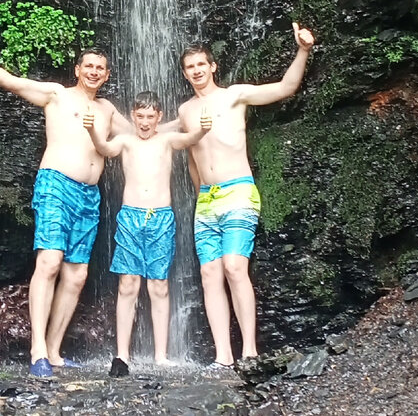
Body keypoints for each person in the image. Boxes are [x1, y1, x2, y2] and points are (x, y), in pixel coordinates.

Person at [0, 33, 126, 378]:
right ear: (78, 70)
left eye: (100, 69)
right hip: (56, 185)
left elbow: (145, 130)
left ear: (106, 76)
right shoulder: (57, 95)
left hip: (90, 195)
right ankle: (37, 351)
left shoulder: (107, 110)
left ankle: (55, 351)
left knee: (76, 274)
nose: (94, 72)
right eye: (88, 66)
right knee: (49, 261)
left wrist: (192, 125)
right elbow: (13, 83)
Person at [176, 22, 316, 366]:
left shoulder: (234, 95)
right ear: (185, 73)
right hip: (206, 199)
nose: (196, 71)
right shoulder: (184, 112)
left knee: (235, 267)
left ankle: (250, 350)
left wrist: (303, 50)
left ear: (212, 67)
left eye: (200, 65)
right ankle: (223, 356)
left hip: (238, 191)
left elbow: (286, 87)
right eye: (189, 67)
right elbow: (192, 158)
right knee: (210, 274)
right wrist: (199, 195)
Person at [83, 91, 212, 375]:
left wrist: (202, 127)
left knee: (158, 285)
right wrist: (92, 130)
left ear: (159, 117)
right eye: (139, 116)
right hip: (130, 217)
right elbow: (105, 149)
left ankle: (161, 355)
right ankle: (122, 355)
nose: (144, 122)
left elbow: (190, 139)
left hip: (161, 218)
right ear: (132, 116)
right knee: (128, 285)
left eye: (150, 117)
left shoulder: (166, 140)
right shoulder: (126, 140)